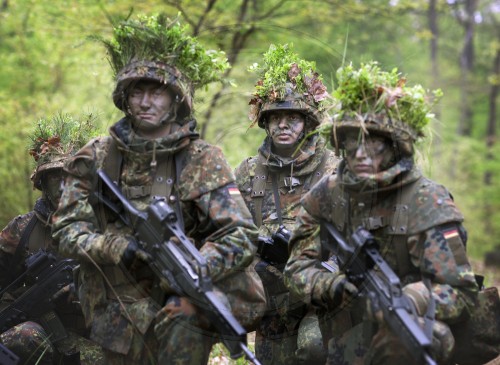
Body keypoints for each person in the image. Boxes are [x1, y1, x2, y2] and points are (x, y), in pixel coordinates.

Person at [51, 14, 265, 365]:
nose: (146, 102)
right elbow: (65, 230)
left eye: (157, 92)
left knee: (184, 324)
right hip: (115, 308)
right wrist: (113, 245)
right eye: (138, 91)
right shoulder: (97, 156)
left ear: (175, 100)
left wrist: (196, 264)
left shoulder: (201, 159)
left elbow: (240, 234)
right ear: (125, 97)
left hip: (180, 306)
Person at [283, 61, 479, 365]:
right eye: (353, 141)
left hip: (416, 324)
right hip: (349, 320)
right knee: (312, 348)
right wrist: (333, 286)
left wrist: (413, 299)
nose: (361, 153)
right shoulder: (327, 195)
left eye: (372, 142)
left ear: (394, 147)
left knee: (407, 341)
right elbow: (297, 269)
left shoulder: (427, 200)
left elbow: (462, 294)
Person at [234, 44, 339, 364]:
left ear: (308, 122)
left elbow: (355, 240)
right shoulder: (248, 172)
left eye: (292, 117)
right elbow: (229, 230)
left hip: (321, 300)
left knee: (313, 349)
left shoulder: (334, 170)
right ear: (265, 122)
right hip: (270, 300)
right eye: (275, 117)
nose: (283, 125)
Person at [0, 113, 104, 365]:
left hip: (96, 336)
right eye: (56, 176)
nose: (63, 185)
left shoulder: (105, 226)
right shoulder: (22, 229)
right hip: (41, 334)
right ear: (43, 182)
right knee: (23, 337)